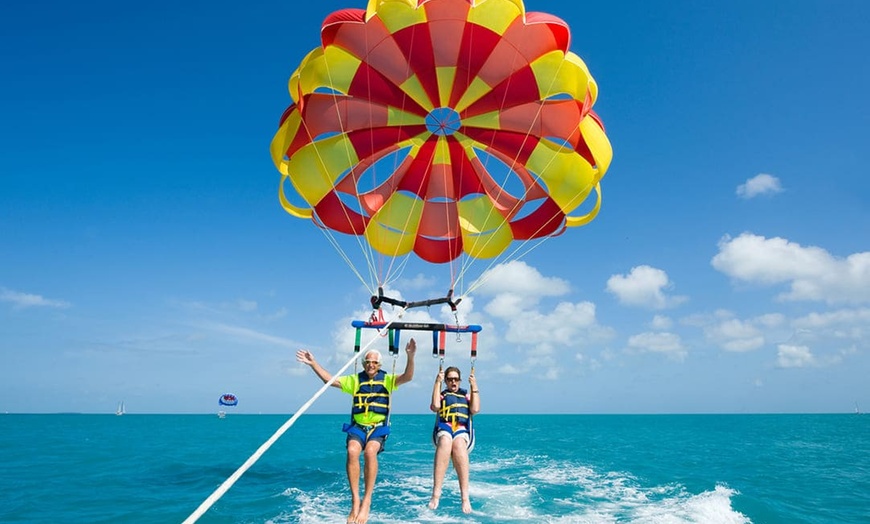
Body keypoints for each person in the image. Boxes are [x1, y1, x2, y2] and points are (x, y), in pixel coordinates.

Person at [296, 339, 416, 524]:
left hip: (378, 427)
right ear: (363, 364)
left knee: (369, 452)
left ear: (379, 364)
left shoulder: (387, 379)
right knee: (352, 451)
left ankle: (367, 500)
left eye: (375, 362)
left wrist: (410, 356)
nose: (371, 365)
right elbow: (329, 380)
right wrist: (313, 363)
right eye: (368, 362)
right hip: (358, 426)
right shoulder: (355, 380)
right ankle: (355, 500)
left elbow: (408, 377)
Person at [428, 365, 479, 514]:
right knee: (445, 441)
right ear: (446, 381)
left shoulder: (467, 396)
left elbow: (475, 409)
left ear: (460, 380)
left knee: (458, 445)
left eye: (456, 379)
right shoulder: (442, 395)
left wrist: (474, 386)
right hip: (445, 428)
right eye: (449, 380)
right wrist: (437, 383)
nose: (453, 382)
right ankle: (436, 494)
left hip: (462, 430)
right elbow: (436, 406)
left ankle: (464, 497)